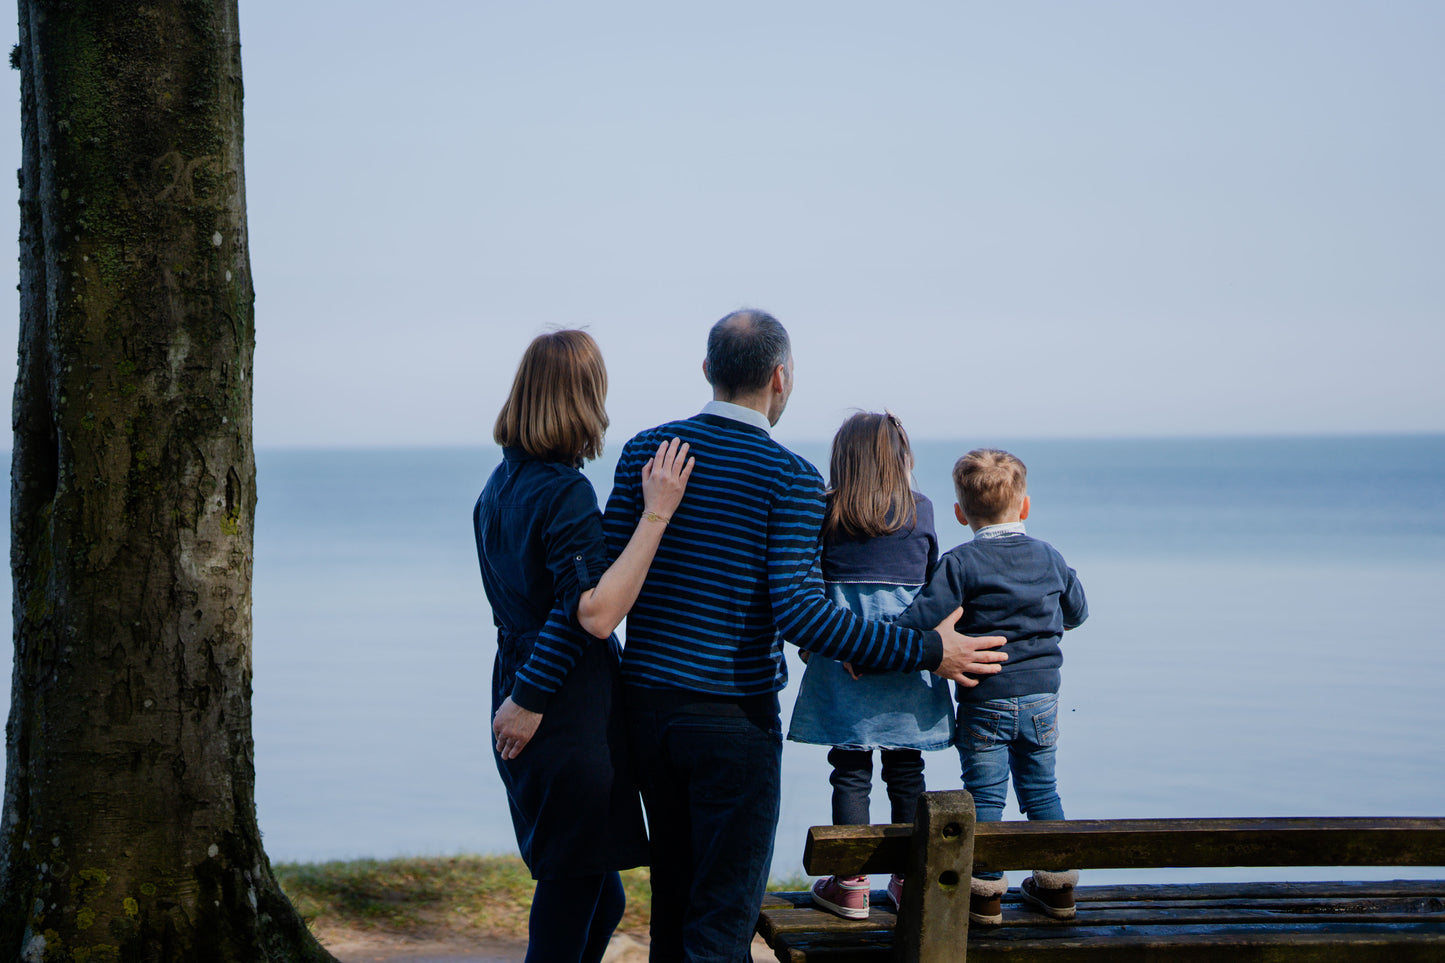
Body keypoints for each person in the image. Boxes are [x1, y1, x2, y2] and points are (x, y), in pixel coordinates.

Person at [601, 310, 1008, 962]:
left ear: (707, 370)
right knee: (721, 917)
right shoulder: (787, 477)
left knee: (673, 901)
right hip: (733, 719)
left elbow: (601, 581)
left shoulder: (645, 451)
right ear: (780, 377)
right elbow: (802, 616)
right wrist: (930, 648)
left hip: (646, 710)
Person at [474, 329, 695, 963]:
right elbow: (579, 616)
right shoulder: (562, 491)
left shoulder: (498, 486)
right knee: (572, 893)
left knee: (603, 897)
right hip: (560, 709)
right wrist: (531, 698)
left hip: (526, 686)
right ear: (584, 398)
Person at [896, 448, 1088, 926]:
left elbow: (919, 620)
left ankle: (984, 898)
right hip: (1043, 697)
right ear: (1024, 506)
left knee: (984, 797)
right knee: (1043, 791)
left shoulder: (960, 563)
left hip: (985, 700)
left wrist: (879, 638)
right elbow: (1078, 612)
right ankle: (1058, 890)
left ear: (960, 514)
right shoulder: (1049, 555)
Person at [787, 411, 955, 920]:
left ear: (844, 459)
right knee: (907, 771)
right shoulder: (920, 510)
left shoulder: (825, 512)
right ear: (899, 458)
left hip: (843, 655)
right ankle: (906, 880)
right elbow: (933, 586)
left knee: (850, 769)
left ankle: (852, 884)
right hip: (906, 660)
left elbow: (808, 585)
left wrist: (815, 644)